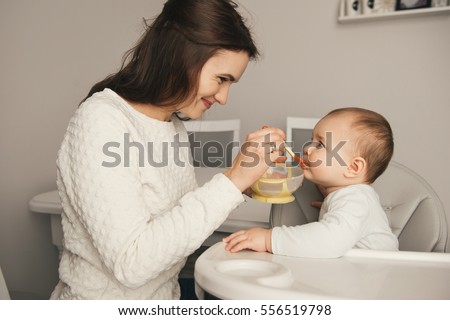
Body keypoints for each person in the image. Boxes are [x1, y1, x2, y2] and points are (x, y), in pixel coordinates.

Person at [51, 0, 286, 299]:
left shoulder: (170, 125)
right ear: (180, 56)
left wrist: (242, 185)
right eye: (221, 79)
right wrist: (232, 181)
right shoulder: (100, 121)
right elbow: (131, 263)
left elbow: (169, 216)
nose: (224, 97)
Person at [224, 107, 399, 258]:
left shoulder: (356, 200)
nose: (307, 148)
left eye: (320, 145)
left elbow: (329, 241)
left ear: (353, 167)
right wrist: (331, 205)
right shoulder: (350, 196)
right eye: (312, 140)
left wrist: (268, 239)